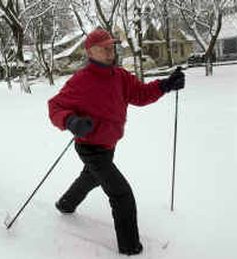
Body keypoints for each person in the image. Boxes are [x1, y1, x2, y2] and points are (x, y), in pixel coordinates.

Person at [48, 28, 184, 256]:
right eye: (105, 48)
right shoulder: (81, 80)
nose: (111, 52)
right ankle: (130, 248)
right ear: (91, 51)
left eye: (112, 48)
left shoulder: (120, 76)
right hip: (89, 147)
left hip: (108, 146)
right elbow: (55, 106)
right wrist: (72, 121)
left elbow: (140, 94)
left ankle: (66, 204)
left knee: (91, 178)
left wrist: (165, 85)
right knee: (121, 194)